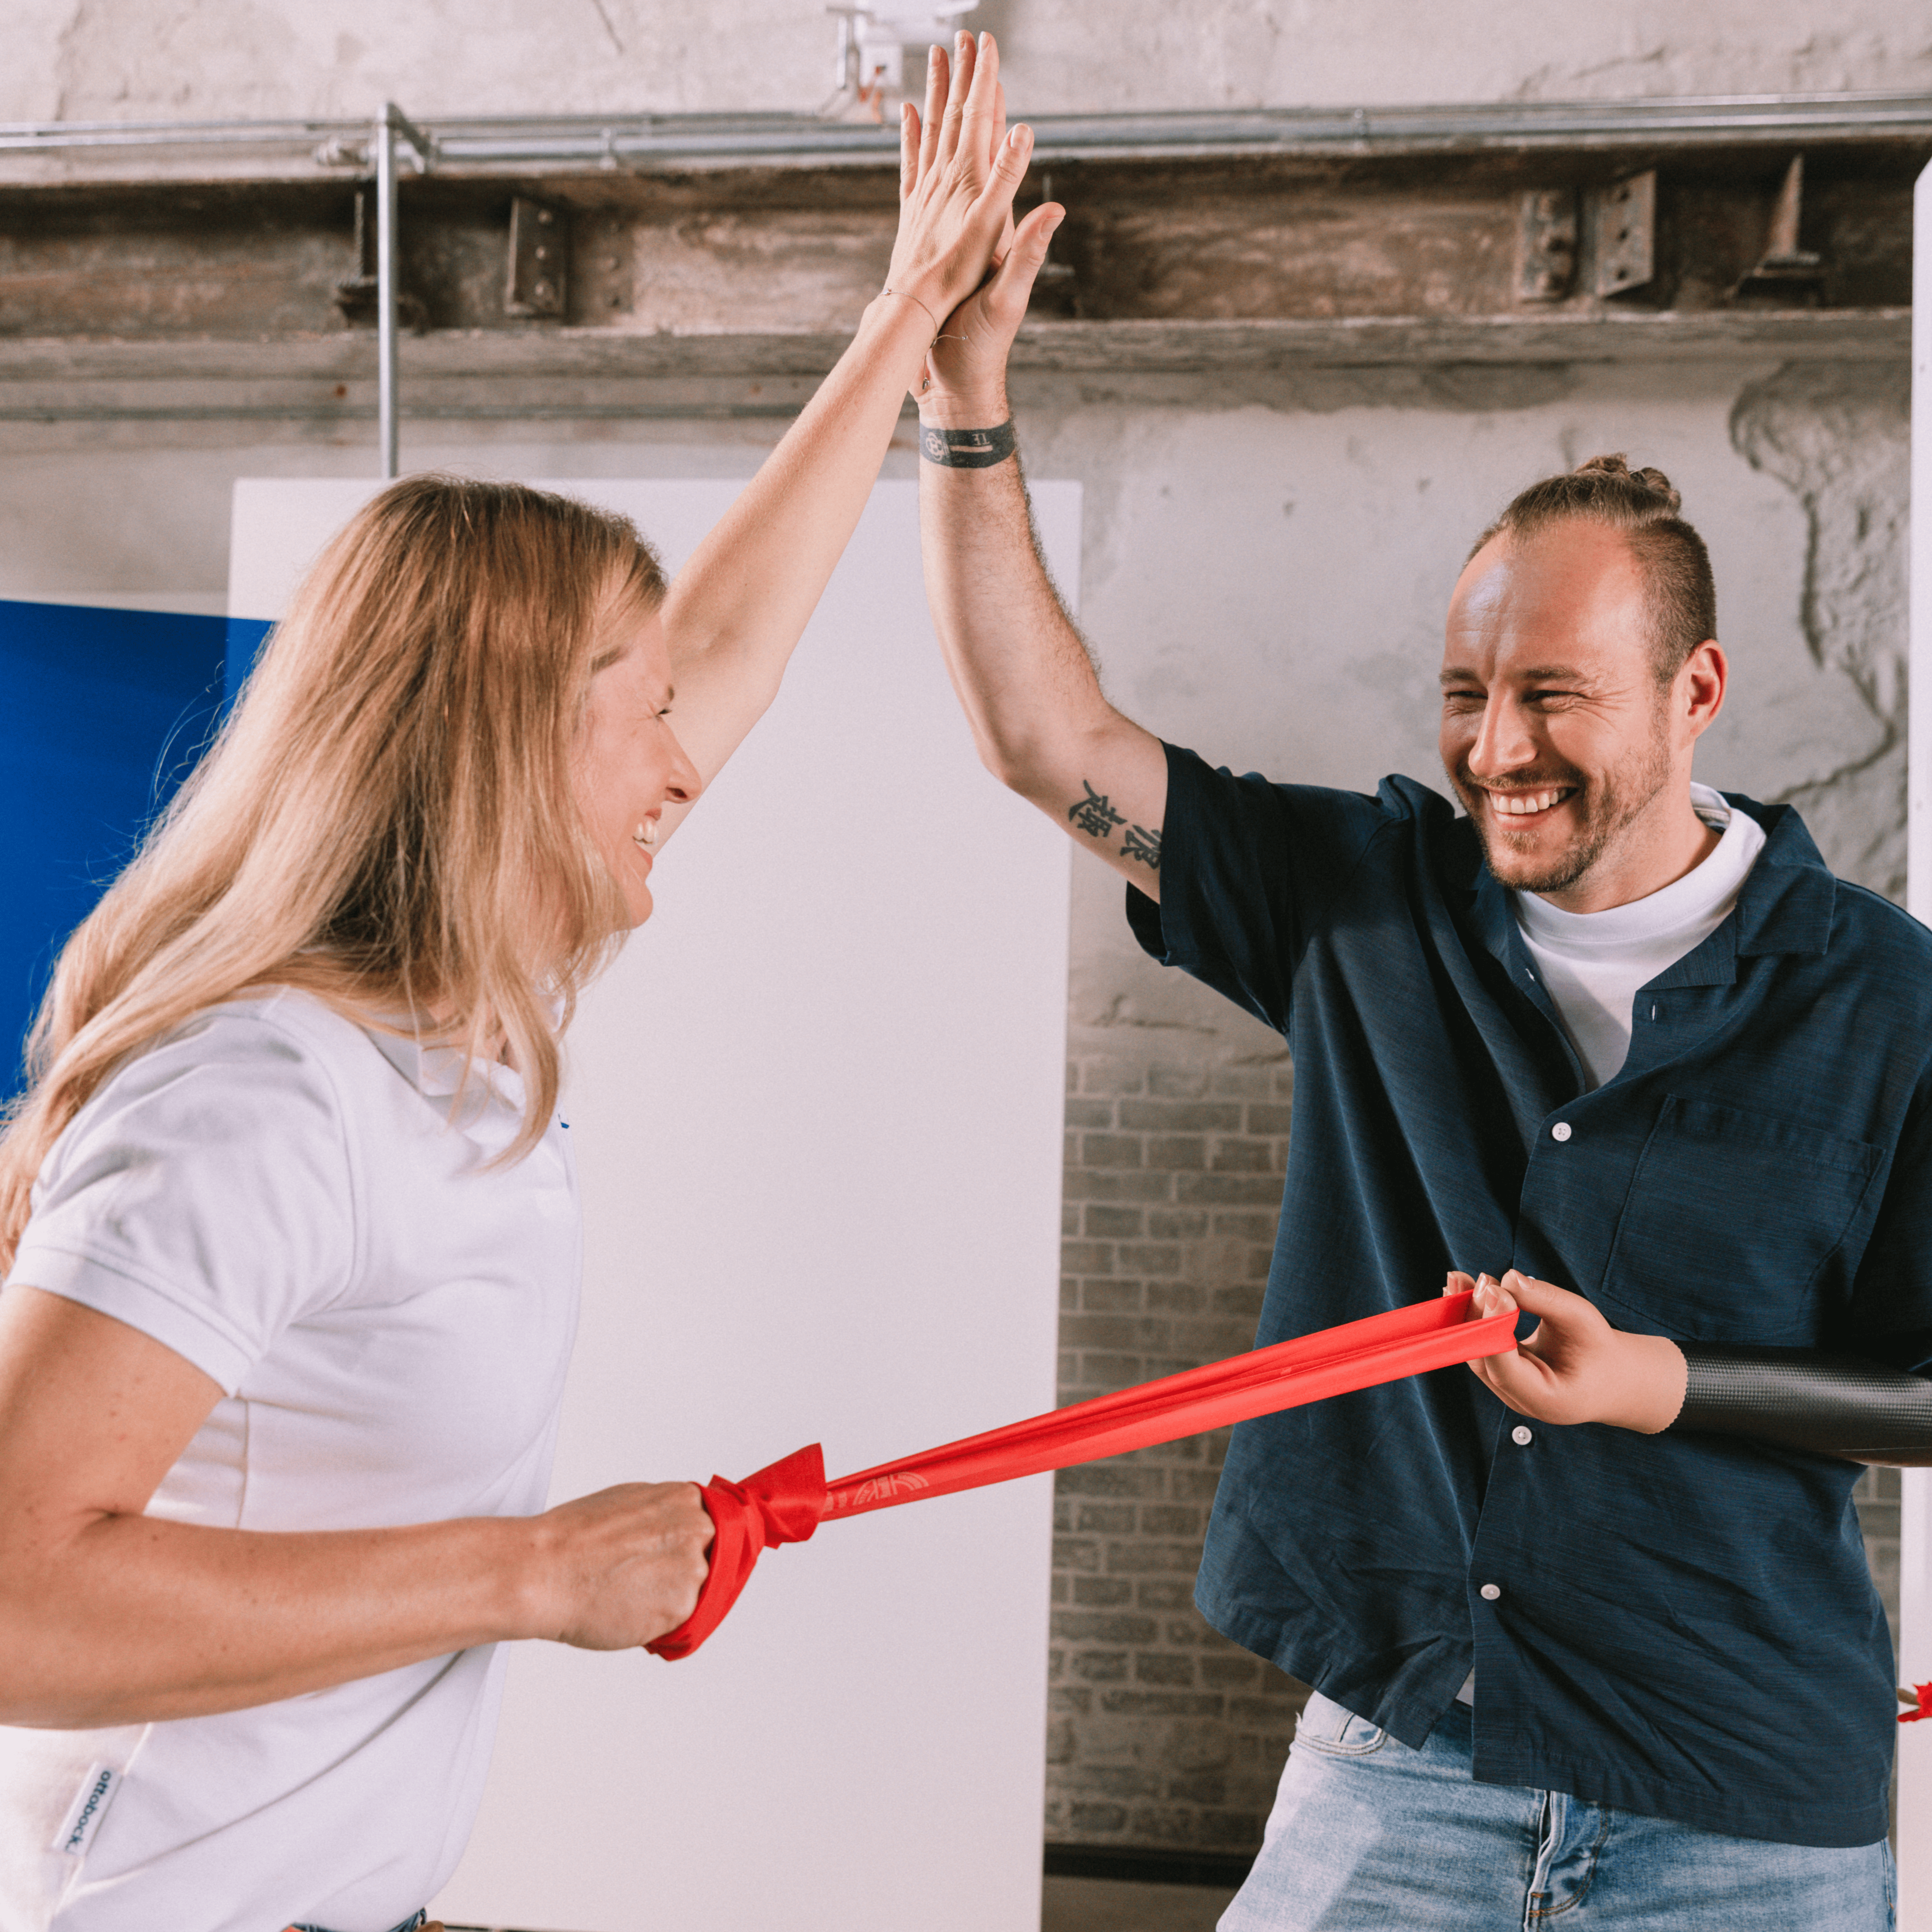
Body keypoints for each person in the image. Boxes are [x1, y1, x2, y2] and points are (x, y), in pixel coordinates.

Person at [0, 34, 1047, 1932]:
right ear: (499, 744)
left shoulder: (442, 1042)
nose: (683, 757)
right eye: (635, 713)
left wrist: (910, 319)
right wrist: (533, 1574)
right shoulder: (266, 1092)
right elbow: (11, 1594)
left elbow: (723, 642)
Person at [909, 200, 1931, 1925]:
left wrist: (1652, 1382)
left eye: (1552, 692)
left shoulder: (1887, 997)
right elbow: (1043, 742)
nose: (1495, 749)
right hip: (1403, 1766)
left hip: (1743, 1803)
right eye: (1464, 692)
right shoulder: (1362, 901)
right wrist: (963, 396)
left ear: (1696, 690)